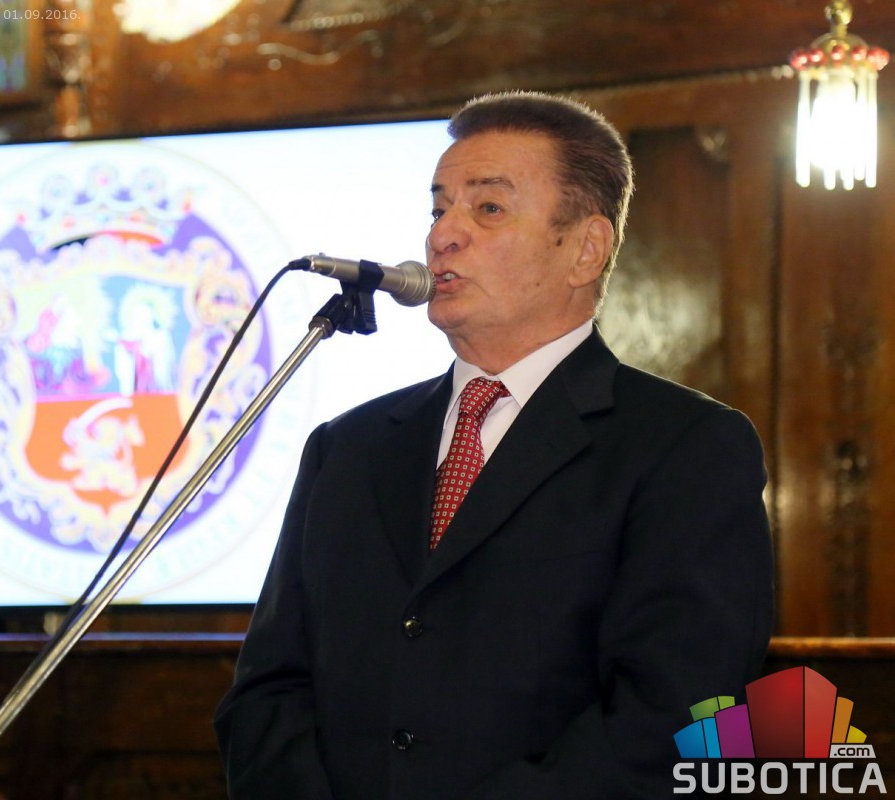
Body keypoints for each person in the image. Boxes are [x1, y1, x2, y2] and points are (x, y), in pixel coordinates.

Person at [214, 90, 774, 799]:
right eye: (438, 209)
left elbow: (677, 715)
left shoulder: (684, 447)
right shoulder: (347, 448)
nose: (443, 235)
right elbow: (268, 691)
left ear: (585, 249)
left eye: (488, 208)